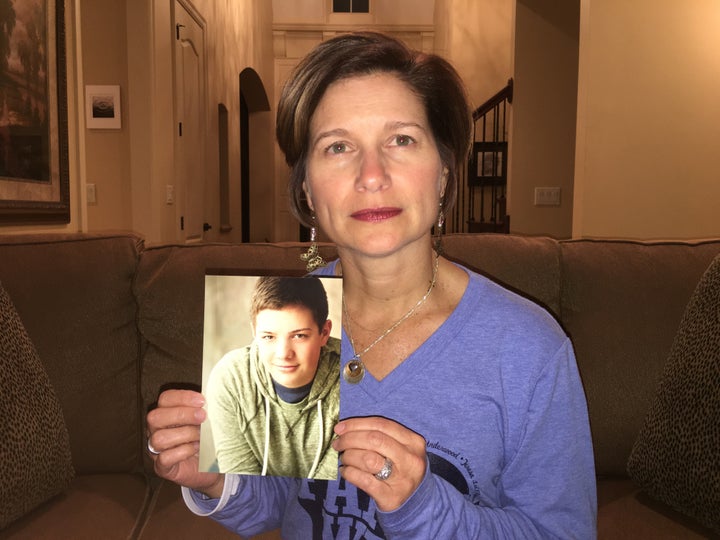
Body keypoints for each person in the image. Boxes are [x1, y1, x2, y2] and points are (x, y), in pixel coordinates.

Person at [146, 31, 597, 538]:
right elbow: (280, 504)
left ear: (444, 174)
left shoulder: (529, 349)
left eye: (401, 139)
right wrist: (216, 479)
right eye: (338, 147)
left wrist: (425, 508)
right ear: (308, 192)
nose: (372, 174)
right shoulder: (286, 320)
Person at [204, 275, 340, 479]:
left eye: (299, 335)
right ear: (254, 332)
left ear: (324, 333)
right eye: (268, 337)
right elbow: (243, 490)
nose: (284, 353)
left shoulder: (351, 379)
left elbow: (325, 493)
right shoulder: (230, 379)